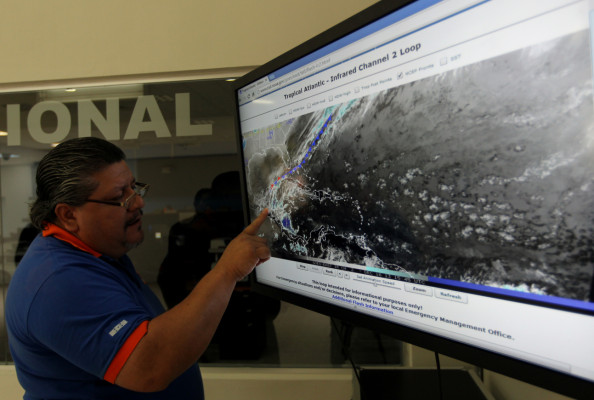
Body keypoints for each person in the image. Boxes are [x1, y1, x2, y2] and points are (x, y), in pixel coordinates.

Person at [5, 137, 270, 399]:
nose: (138, 202)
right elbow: (149, 366)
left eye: (134, 188)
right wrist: (227, 271)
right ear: (68, 215)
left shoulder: (97, 254)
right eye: (120, 196)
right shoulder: (59, 281)